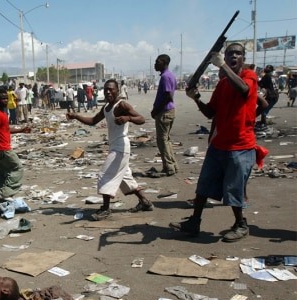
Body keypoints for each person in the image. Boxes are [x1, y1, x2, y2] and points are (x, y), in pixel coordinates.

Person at [170, 43, 258, 242]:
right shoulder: (222, 84)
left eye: (238, 54)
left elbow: (244, 90)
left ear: (243, 58)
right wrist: (196, 98)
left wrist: (222, 67)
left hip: (240, 145)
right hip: (220, 144)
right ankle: (194, 222)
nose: (234, 57)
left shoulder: (249, 76)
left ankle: (240, 224)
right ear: (225, 57)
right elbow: (211, 112)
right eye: (230, 54)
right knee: (203, 186)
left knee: (234, 189)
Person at [66, 79, 153, 220]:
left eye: (111, 89)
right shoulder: (106, 107)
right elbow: (93, 121)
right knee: (125, 177)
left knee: (105, 174)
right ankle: (145, 202)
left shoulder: (121, 105)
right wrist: (76, 116)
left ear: (117, 90)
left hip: (121, 146)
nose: (108, 92)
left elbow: (141, 119)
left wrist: (128, 118)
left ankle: (105, 209)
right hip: (115, 145)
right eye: (106, 89)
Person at [0, 88, 32, 203]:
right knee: (18, 169)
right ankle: (4, 193)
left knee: (1, 176)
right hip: (2, 149)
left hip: (0, 149)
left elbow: (5, 130)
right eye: (2, 98)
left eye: (6, 98)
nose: (4, 101)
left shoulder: (3, 114)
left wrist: (21, 130)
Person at [151, 54, 179, 176]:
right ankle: (172, 164)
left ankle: (169, 167)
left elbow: (168, 96)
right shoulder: (170, 75)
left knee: (162, 141)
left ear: (164, 63)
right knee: (165, 140)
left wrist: (156, 109)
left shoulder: (166, 77)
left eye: (157, 62)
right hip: (168, 111)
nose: (155, 64)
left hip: (164, 112)